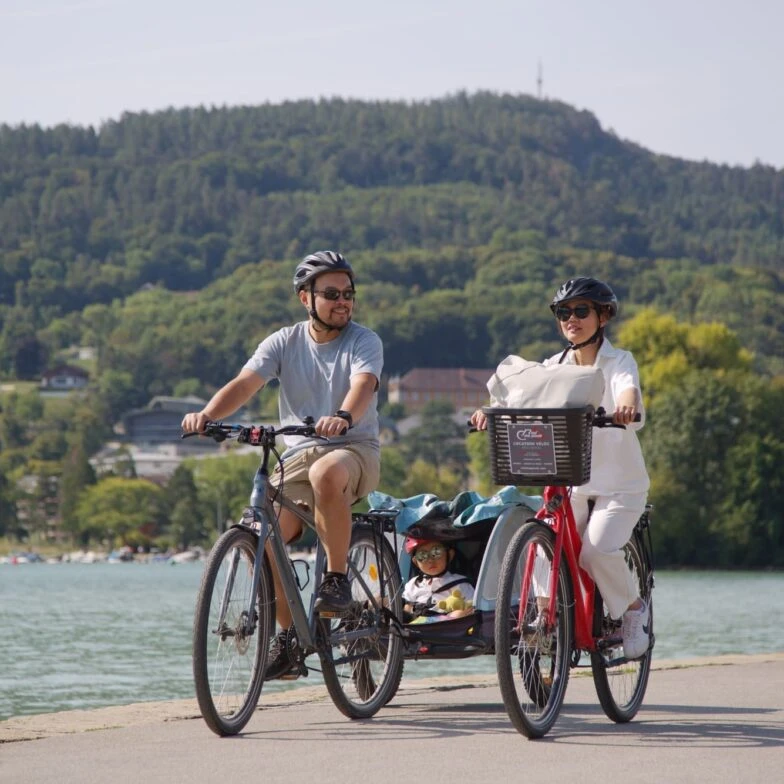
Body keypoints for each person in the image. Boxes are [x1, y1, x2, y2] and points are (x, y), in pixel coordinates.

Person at [181, 250, 383, 678]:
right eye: (331, 294)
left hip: (353, 449)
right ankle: (289, 639)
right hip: (297, 455)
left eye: (348, 293)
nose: (342, 301)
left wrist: (344, 416)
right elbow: (245, 384)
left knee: (325, 473)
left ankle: (334, 579)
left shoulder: (364, 341)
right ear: (304, 298)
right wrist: (208, 416)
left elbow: (363, 385)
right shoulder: (283, 342)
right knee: (260, 530)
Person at [471, 277, 651, 659]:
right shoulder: (554, 366)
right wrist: (489, 412)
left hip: (619, 486)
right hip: (572, 481)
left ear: (603, 317)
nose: (572, 319)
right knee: (542, 545)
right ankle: (542, 617)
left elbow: (627, 390)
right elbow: (521, 396)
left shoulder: (619, 361)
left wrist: (626, 406)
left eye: (582, 311)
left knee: (596, 552)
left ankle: (633, 611)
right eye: (564, 312)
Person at [402, 536, 475, 622]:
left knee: (458, 614)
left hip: (444, 630)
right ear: (415, 562)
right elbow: (406, 607)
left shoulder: (461, 584)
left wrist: (455, 615)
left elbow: (471, 609)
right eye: (422, 555)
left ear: (450, 555)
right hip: (417, 629)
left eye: (436, 552)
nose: (430, 560)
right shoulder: (413, 584)